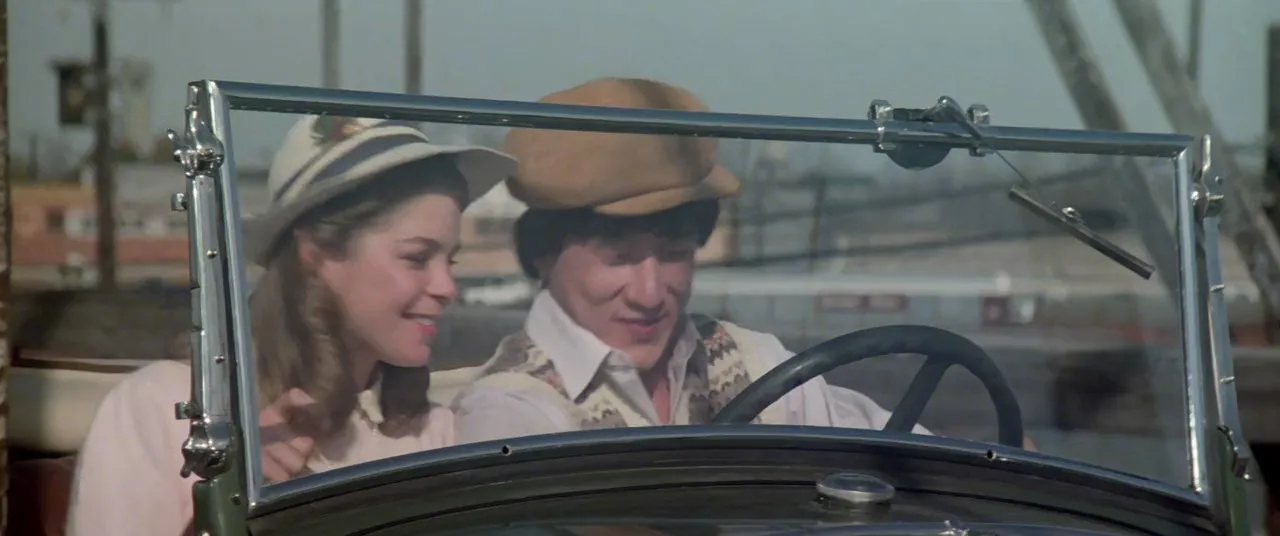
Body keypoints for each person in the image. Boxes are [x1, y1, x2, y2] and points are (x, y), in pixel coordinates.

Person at [66, 115, 517, 536]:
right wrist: (232, 496)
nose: (446, 287)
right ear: (315, 255)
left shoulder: (434, 434)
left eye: (450, 261)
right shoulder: (165, 411)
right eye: (417, 258)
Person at [451, 78, 933, 443]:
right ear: (543, 253)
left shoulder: (755, 362)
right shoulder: (515, 415)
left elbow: (903, 457)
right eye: (619, 258)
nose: (649, 294)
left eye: (675, 254)